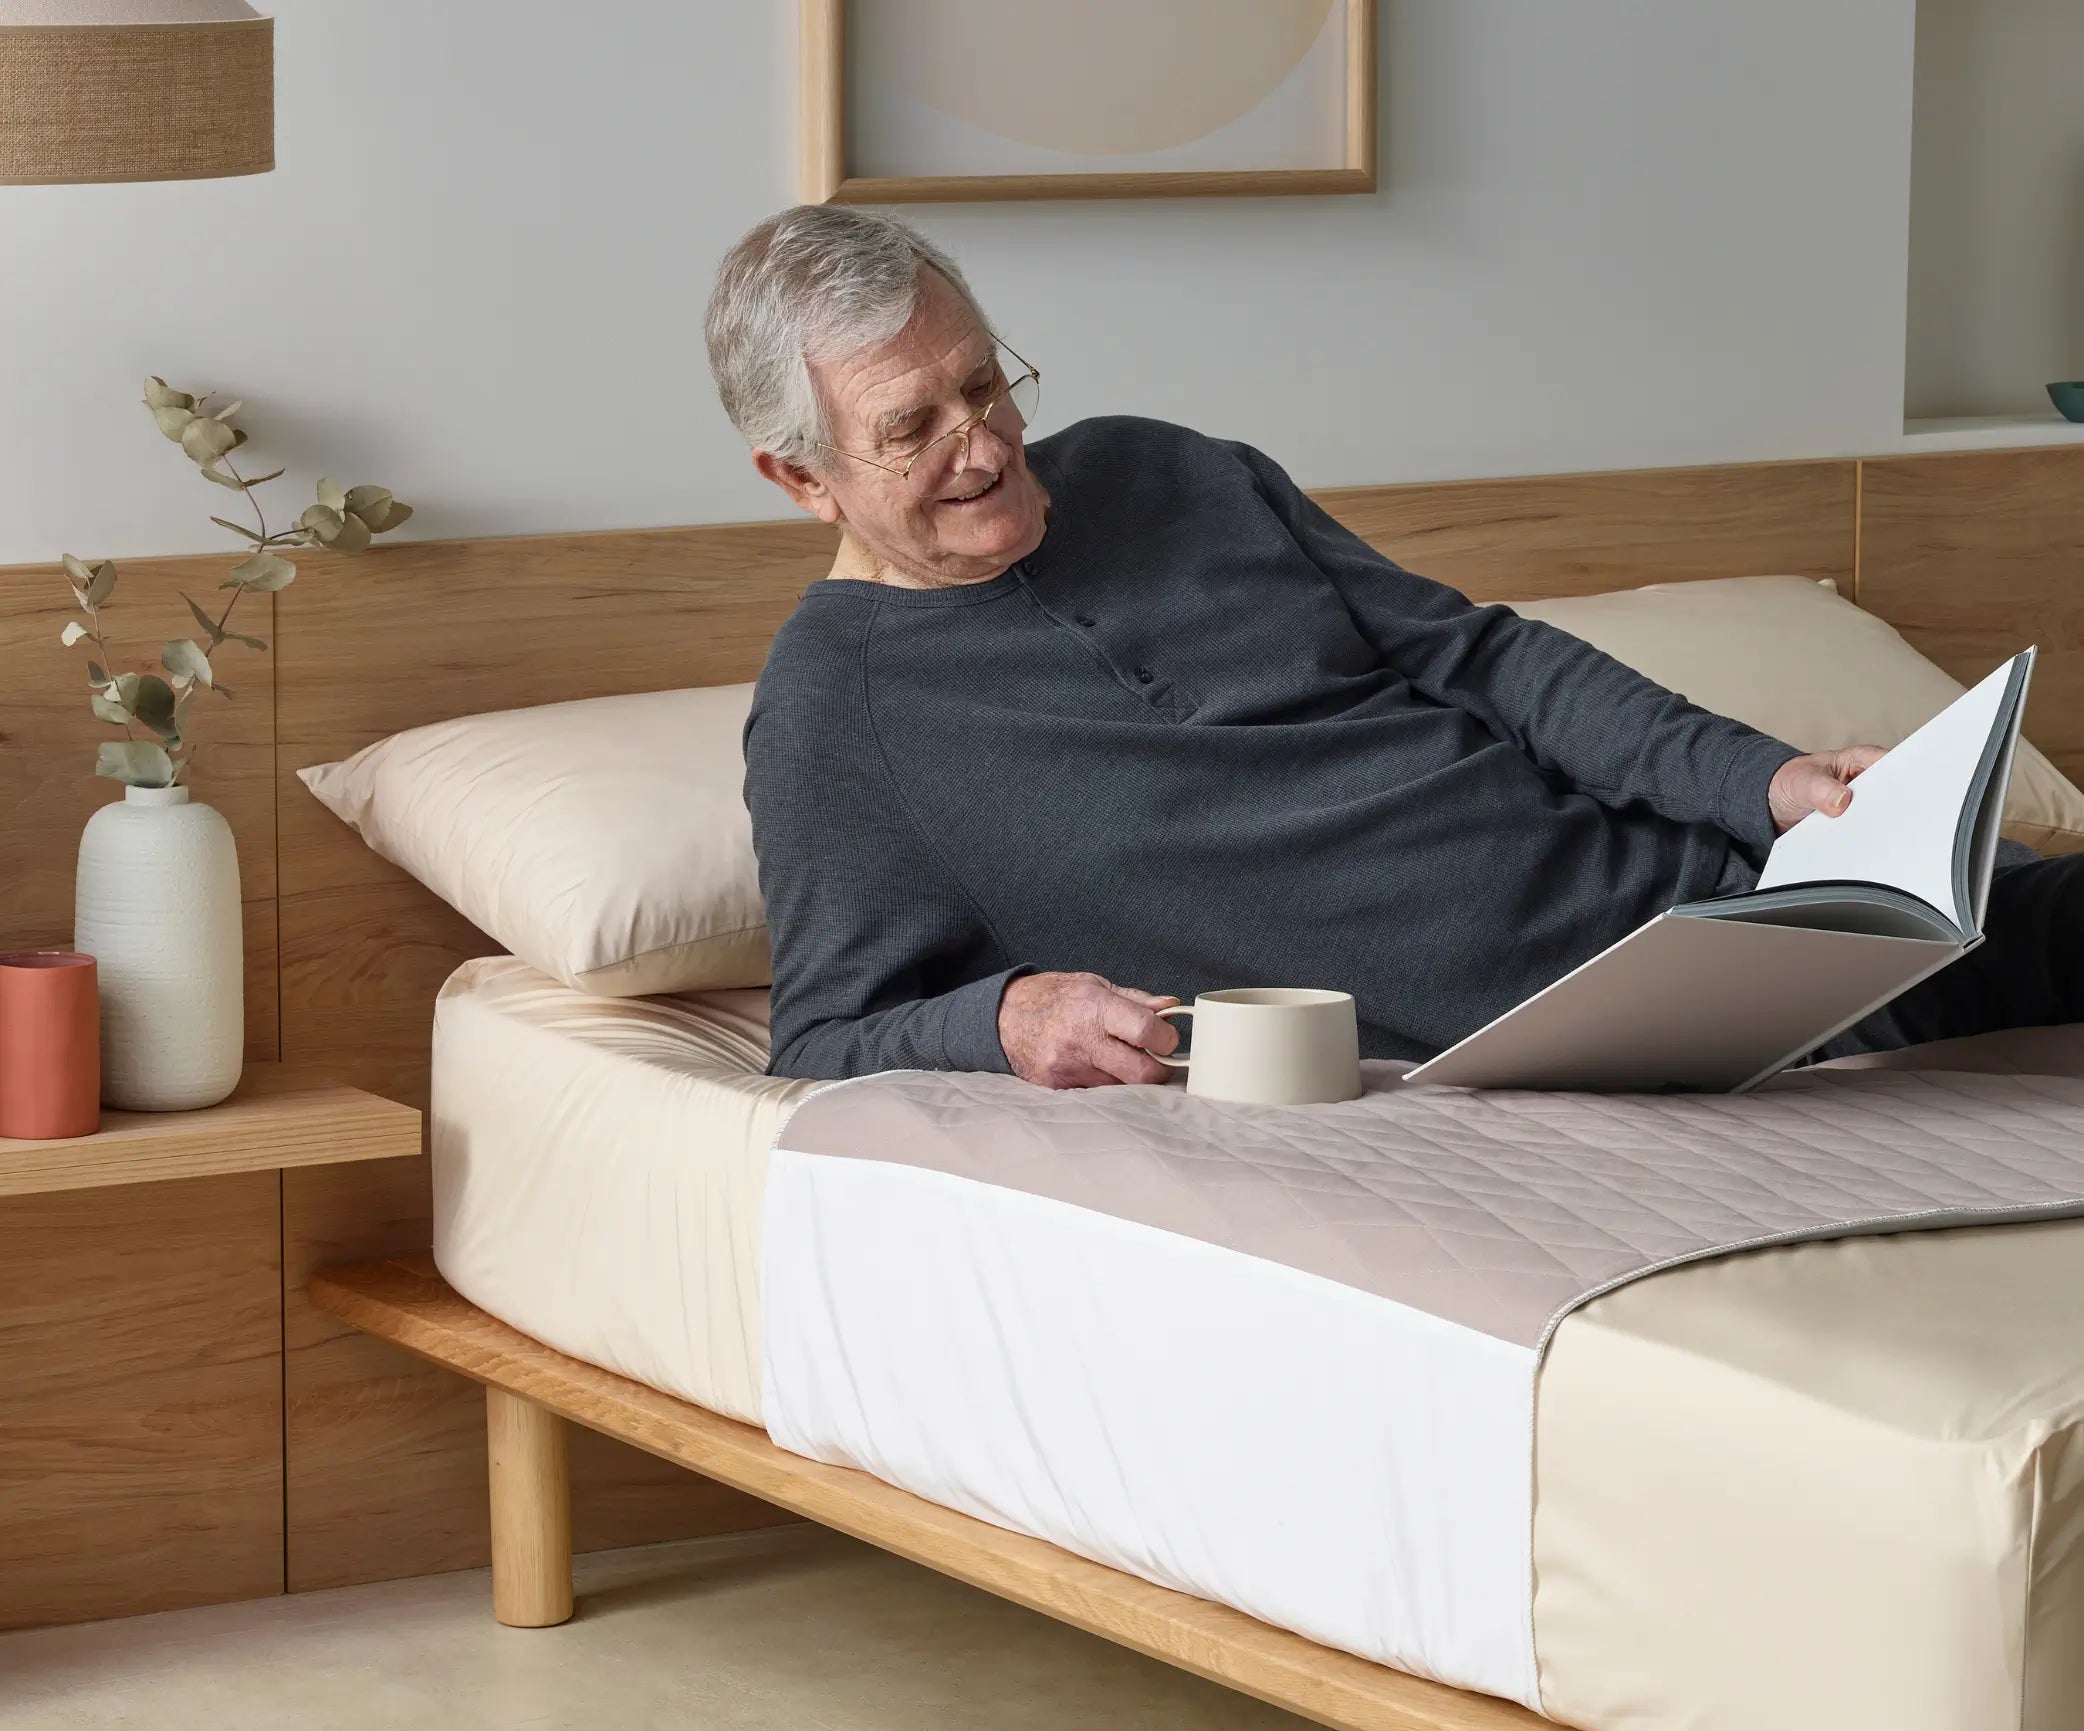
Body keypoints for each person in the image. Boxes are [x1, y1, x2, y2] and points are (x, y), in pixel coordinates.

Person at [707, 205, 2080, 1086]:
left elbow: (1483, 660)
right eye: (915, 428)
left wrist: (1762, 785)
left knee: (2030, 915)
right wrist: (1000, 1019)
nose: (987, 445)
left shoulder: (1166, 471)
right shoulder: (839, 713)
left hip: (1730, 889)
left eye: (986, 384)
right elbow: (824, 1035)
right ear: (802, 480)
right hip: (1579, 1036)